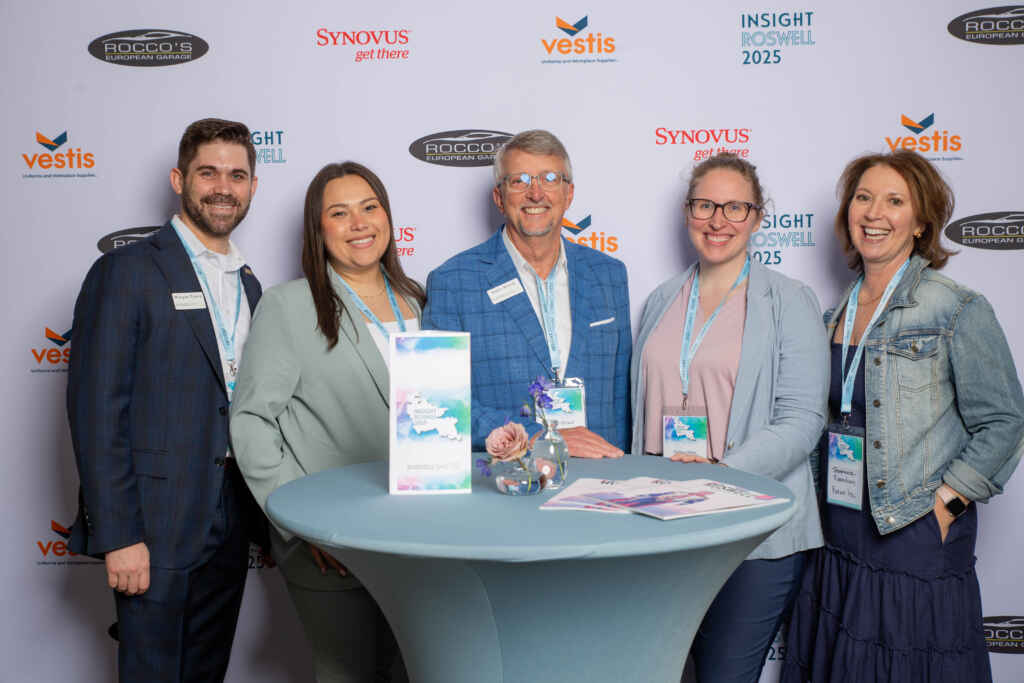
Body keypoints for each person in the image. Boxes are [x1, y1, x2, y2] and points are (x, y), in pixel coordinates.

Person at [781, 150, 1024, 683]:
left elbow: (1005, 420)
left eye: (895, 201)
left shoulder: (954, 307)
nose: (874, 213)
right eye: (863, 198)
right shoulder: (834, 313)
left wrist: (948, 503)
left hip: (912, 532)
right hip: (839, 531)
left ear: (920, 222)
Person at [67, 118, 266, 681]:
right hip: (152, 527)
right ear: (180, 180)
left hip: (230, 519)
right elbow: (96, 412)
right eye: (208, 173)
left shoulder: (249, 285)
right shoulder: (127, 271)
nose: (223, 187)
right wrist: (120, 535)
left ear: (253, 187)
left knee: (207, 672)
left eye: (236, 175)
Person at [630, 153, 828, 683]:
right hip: (665, 528)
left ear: (757, 217)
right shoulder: (661, 299)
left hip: (753, 532)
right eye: (705, 205)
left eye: (735, 207)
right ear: (687, 211)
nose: (718, 220)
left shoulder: (790, 300)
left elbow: (803, 419)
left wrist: (721, 473)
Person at [231, 162, 416, 682]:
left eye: (369, 207)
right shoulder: (290, 306)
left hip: (417, 540)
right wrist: (300, 522)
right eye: (339, 212)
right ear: (318, 229)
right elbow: (251, 421)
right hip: (331, 542)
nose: (358, 223)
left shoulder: (420, 298)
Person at [423, 129, 630, 457]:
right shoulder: (453, 282)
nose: (536, 193)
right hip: (510, 475)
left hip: (601, 474)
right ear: (499, 197)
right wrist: (535, 436)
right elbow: (442, 402)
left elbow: (620, 398)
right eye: (519, 180)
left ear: (568, 193)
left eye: (550, 178)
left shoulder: (609, 275)